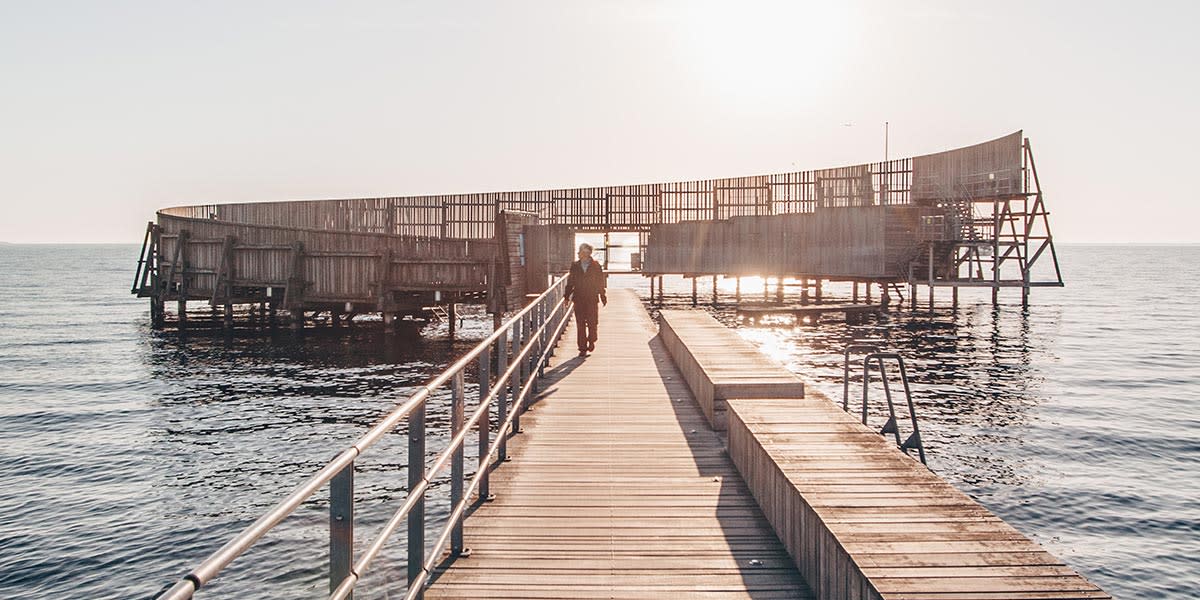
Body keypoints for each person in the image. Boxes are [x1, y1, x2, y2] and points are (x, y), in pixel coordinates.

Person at [563, 243, 607, 357]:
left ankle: (592, 339)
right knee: (580, 323)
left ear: (590, 253)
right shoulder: (575, 265)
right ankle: (582, 348)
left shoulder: (596, 265)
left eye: (587, 252)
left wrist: (602, 295)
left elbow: (600, 282)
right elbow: (570, 282)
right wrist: (566, 297)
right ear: (580, 253)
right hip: (579, 298)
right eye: (582, 252)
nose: (584, 254)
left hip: (592, 298)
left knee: (593, 322)